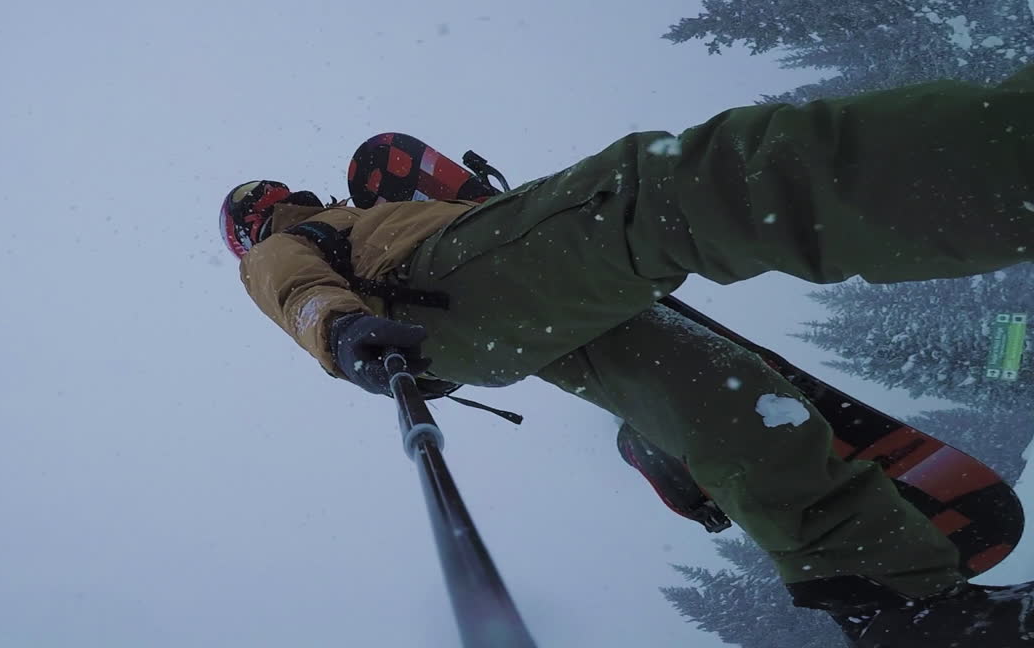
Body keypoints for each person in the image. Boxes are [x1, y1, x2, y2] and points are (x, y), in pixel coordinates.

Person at [219, 65, 1033, 647]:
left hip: (483, 326)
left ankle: (908, 612)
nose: (268, 200)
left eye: (264, 191)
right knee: (671, 190)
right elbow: (293, 291)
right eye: (253, 205)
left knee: (727, 395)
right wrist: (343, 331)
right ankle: (1007, 156)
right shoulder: (286, 246)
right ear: (252, 226)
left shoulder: (353, 215)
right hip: (446, 281)